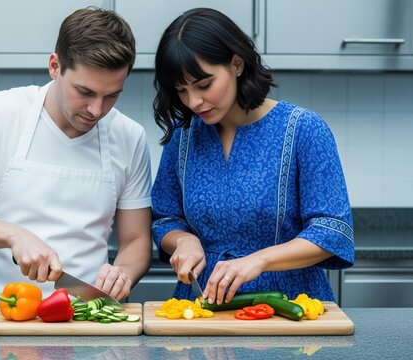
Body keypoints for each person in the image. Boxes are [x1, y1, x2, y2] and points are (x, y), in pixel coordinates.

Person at [0, 7, 153, 302]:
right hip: (2, 312)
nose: (97, 109)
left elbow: (136, 240)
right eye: (85, 92)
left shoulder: (129, 137)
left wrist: (123, 275)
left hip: (88, 316)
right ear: (55, 66)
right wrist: (13, 235)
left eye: (112, 95)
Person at [151, 8, 354, 305]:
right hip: (204, 308)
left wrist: (259, 260)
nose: (193, 101)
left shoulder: (304, 130)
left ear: (236, 64)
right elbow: (164, 218)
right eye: (181, 90)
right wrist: (184, 240)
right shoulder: (185, 136)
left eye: (204, 84)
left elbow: (332, 231)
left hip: (289, 306)